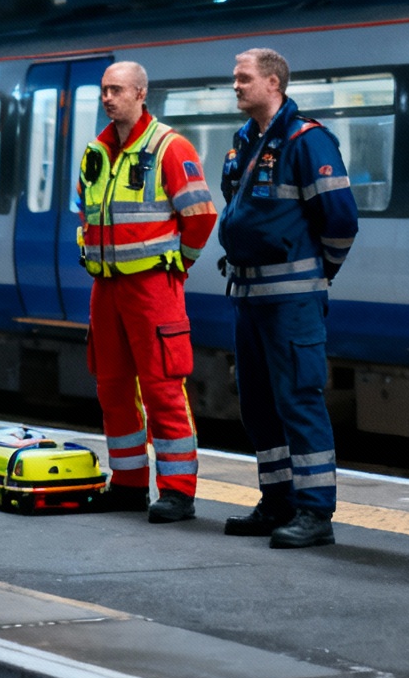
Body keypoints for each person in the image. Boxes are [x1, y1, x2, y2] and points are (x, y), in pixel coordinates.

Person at [217, 48, 358, 548]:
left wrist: (320, 272)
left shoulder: (306, 140)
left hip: (291, 301)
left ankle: (315, 513)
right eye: (235, 78)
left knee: (298, 399)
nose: (236, 85)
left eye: (244, 78)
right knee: (258, 405)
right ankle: (277, 502)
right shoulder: (245, 142)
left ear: (273, 83)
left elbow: (341, 220)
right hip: (248, 297)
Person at [77, 61, 218, 523]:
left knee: (162, 389)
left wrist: (180, 263)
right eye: (104, 90)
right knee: (112, 387)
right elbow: (86, 212)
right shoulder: (95, 152)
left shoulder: (170, 147)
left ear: (141, 94)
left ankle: (177, 491)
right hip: (106, 288)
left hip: (154, 287)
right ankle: (129, 484)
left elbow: (201, 216)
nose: (107, 98)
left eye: (116, 90)